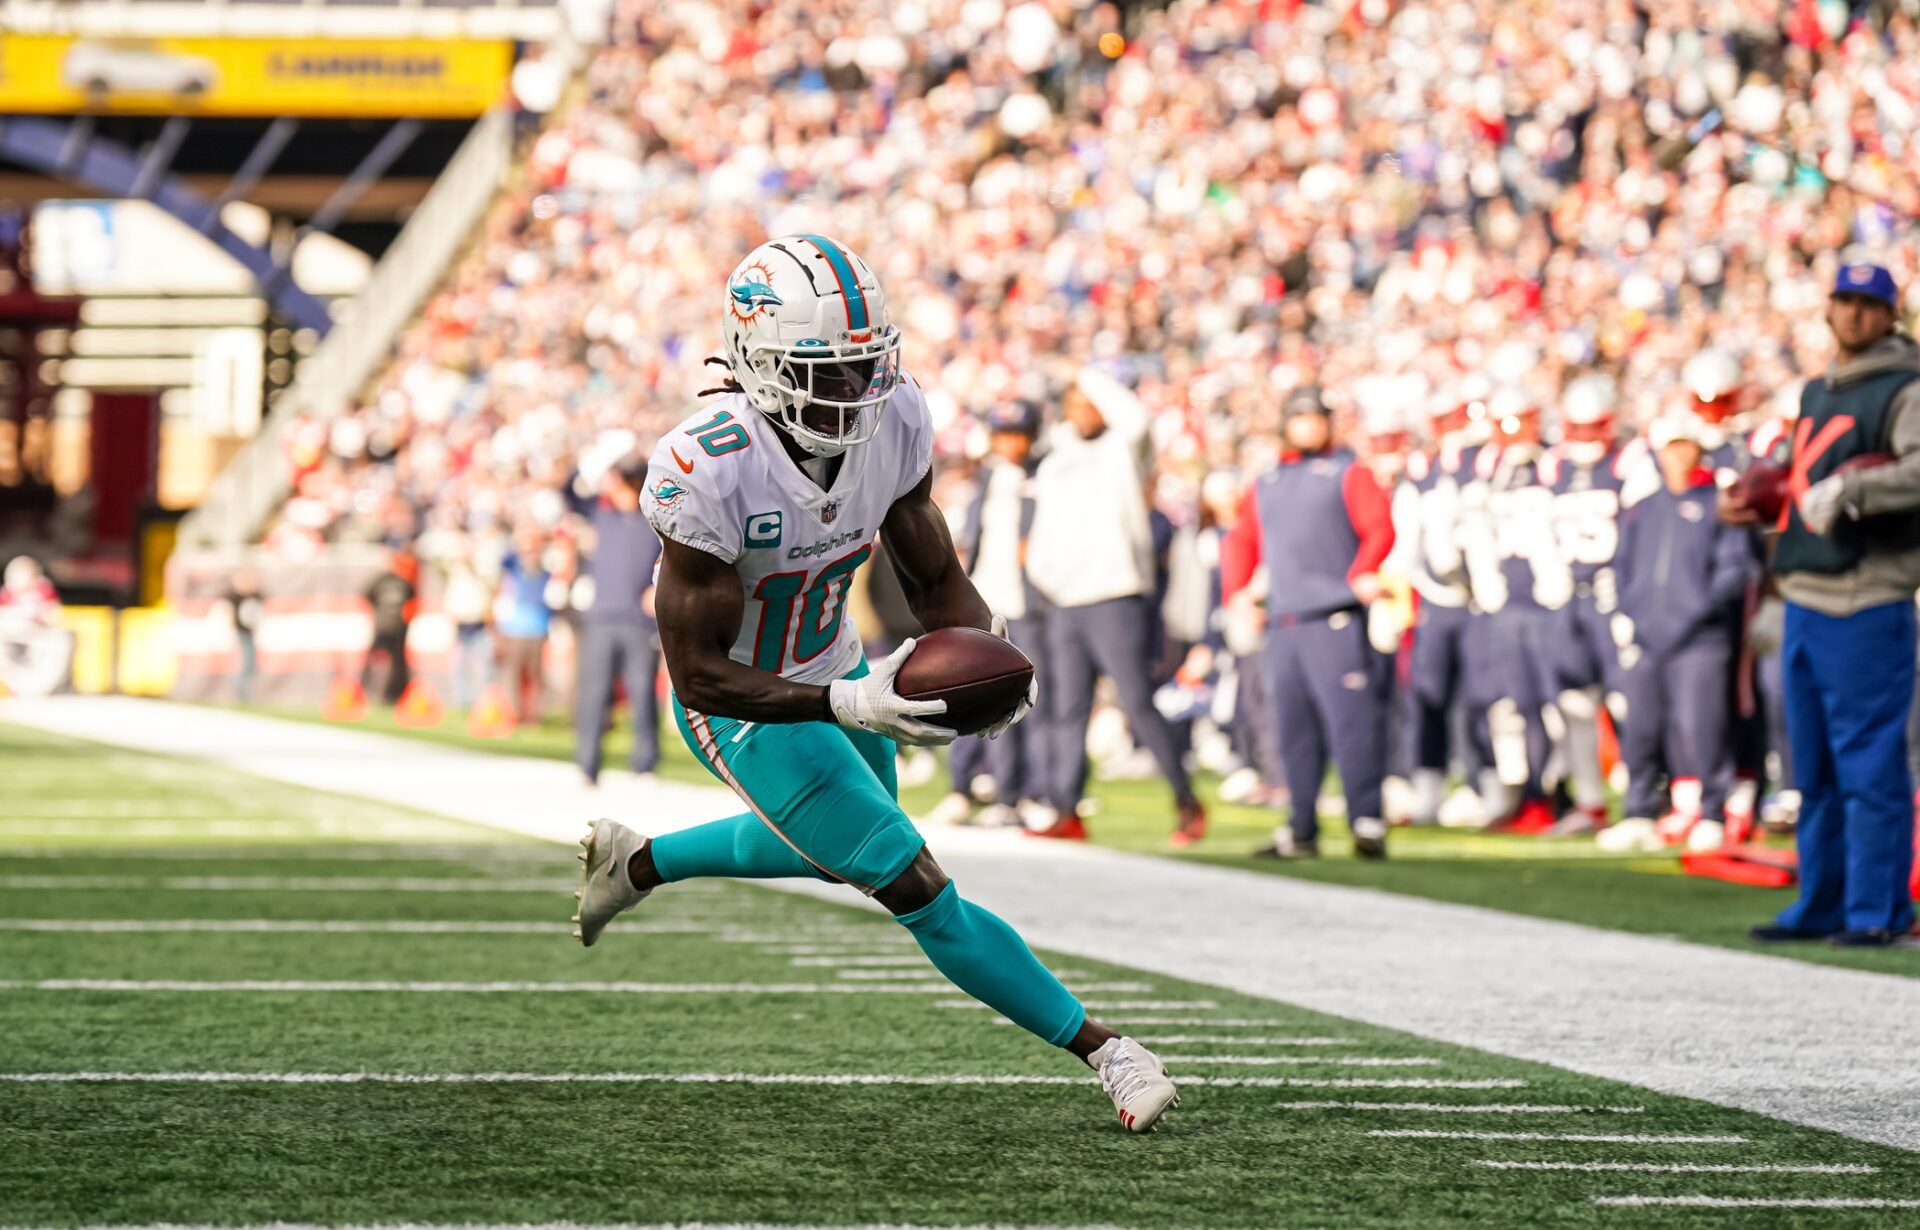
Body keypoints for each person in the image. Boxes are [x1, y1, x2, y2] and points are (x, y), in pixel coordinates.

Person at [570, 235, 1180, 1131]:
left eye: (864, 368)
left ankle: (640, 862)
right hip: (744, 705)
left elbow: (934, 576)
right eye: (825, 372)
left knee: (841, 848)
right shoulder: (707, 467)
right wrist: (846, 703)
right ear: (759, 363)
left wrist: (989, 653)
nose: (852, 395)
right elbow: (699, 676)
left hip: (840, 662)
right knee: (914, 883)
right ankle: (1108, 1051)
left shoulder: (895, 420)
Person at [1735, 263, 1920, 948]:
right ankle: (1823, 899)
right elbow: (1798, 474)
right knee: (1808, 763)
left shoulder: (1906, 385)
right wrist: (1755, 500)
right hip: (1807, 590)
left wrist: (1854, 492)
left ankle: (1877, 910)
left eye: (1868, 305)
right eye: (1844, 300)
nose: (1853, 315)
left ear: (1888, 314)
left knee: (1869, 763)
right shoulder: (1818, 387)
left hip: (1867, 590)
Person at [1026, 368, 1206, 844]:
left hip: (1115, 597)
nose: (1080, 412)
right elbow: (1043, 529)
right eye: (1073, 403)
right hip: (1067, 600)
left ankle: (1187, 801)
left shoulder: (1123, 450)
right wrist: (1049, 580)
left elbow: (1136, 419)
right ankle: (1067, 809)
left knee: (1136, 702)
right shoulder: (1055, 459)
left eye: (1089, 403)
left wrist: (1086, 372)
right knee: (1069, 709)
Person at [1222, 386, 1396, 859]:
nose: (1308, 425)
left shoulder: (1348, 472)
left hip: (1334, 616)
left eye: (1315, 417)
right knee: (1293, 730)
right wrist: (1236, 594)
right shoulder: (1269, 479)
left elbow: (1380, 526)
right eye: (1300, 417)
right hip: (1284, 621)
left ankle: (1367, 821)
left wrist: (1362, 571)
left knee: (1351, 724)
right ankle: (1301, 827)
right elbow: (1241, 539)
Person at [1600, 415, 1754, 853]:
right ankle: (1639, 810)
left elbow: (1734, 570)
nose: (1679, 456)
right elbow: (1623, 566)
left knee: (1702, 726)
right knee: (1642, 728)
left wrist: (1695, 611)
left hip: (1700, 639)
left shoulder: (1718, 503)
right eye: (1671, 447)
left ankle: (1712, 811)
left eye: (1686, 446)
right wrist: (1636, 613)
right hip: (1649, 635)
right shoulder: (1644, 506)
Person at [931, 400, 1047, 829]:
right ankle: (961, 787)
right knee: (969, 695)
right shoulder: (989, 478)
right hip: (985, 604)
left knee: (1024, 703)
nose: (1010, 443)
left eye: (1017, 434)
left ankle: (1020, 793)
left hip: (1028, 606)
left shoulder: (1043, 477)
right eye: (1003, 434)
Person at [1457, 386, 1565, 831]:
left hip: (1549, 603)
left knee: (1555, 705)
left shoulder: (1553, 464)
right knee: (1510, 704)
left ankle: (1559, 794)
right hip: (1505, 601)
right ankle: (1522, 792)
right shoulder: (1487, 468)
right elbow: (1473, 529)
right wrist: (1483, 577)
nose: (1518, 432)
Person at [1539, 374, 1637, 834]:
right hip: (1568, 598)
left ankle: (1642, 798)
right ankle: (1591, 801)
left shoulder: (1629, 461)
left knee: (1627, 701)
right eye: (1575, 428)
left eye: (1590, 427)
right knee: (1574, 702)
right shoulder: (1552, 466)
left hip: (1611, 594)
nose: (1583, 439)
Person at [574, 456, 664, 786]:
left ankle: (644, 766)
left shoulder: (655, 521)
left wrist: (659, 589)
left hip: (638, 623)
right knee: (594, 694)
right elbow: (569, 490)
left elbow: (674, 562)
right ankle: (587, 766)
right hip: (600, 618)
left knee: (642, 694)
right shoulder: (602, 515)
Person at [495, 526, 553, 726]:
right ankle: (515, 713)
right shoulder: (515, 568)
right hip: (515, 630)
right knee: (514, 675)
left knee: (535, 676)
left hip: (537, 629)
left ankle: (532, 715)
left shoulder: (545, 571)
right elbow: (504, 561)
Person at [361, 549, 417, 705]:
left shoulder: (402, 581)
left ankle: (394, 695)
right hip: (383, 626)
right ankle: (363, 691)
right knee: (372, 660)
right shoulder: (380, 580)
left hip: (399, 628)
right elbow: (367, 595)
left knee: (398, 664)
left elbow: (412, 598)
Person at [224, 570, 263, 704]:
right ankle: (240, 693)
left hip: (251, 633)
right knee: (243, 662)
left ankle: (245, 692)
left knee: (251, 664)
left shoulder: (254, 595)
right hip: (240, 633)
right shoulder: (234, 596)